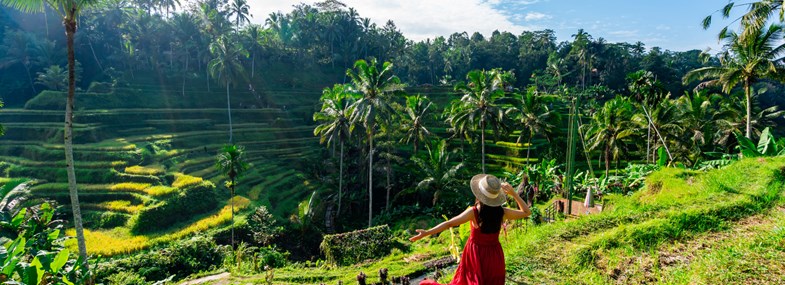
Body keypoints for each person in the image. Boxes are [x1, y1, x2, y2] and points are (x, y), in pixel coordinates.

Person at [410, 174, 531, 285]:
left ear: (479, 194)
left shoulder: (474, 212)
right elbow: (526, 212)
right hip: (494, 255)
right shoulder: (502, 212)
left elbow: (448, 224)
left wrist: (427, 233)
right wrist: (514, 194)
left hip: (475, 255)